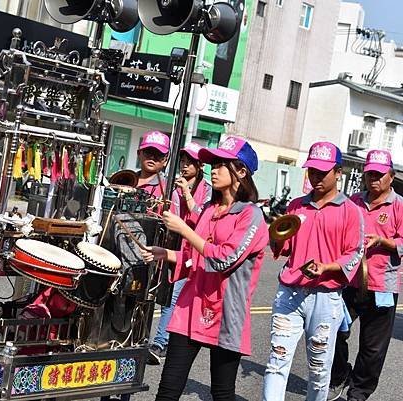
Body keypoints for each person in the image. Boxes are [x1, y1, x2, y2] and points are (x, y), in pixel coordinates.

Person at [142, 136, 268, 401]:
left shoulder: (251, 215)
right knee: (167, 388)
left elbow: (224, 259)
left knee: (222, 392)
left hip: (226, 312)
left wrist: (185, 230)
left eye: (222, 163)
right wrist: (166, 254)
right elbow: (192, 258)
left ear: (241, 171)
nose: (214, 169)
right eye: (213, 163)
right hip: (191, 306)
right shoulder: (210, 208)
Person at [262, 142, 364, 401]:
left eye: (323, 172)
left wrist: (327, 267)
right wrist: (275, 236)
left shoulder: (350, 211)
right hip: (289, 292)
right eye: (312, 171)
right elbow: (285, 248)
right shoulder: (296, 205)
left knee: (319, 370)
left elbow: (355, 252)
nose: (316, 177)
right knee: (276, 361)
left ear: (338, 172)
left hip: (326, 297)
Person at [328, 150, 403, 401]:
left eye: (380, 175)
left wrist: (384, 241)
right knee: (333, 332)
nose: (374, 179)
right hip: (348, 281)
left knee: (373, 349)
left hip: (382, 285)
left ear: (391, 177)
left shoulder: (399, 206)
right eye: (370, 173)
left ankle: (359, 392)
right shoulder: (353, 203)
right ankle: (339, 375)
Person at [148, 141, 211, 365]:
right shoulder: (172, 188)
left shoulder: (207, 191)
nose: (184, 166)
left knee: (173, 297)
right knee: (165, 295)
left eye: (189, 162)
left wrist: (186, 193)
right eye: (182, 162)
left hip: (192, 252)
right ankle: (164, 339)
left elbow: (202, 218)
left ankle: (160, 342)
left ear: (199, 165)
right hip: (172, 247)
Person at [136, 130, 170, 208]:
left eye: (158, 154)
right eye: (148, 152)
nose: (152, 158)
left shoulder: (168, 190)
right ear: (139, 154)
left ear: (165, 160)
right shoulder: (126, 181)